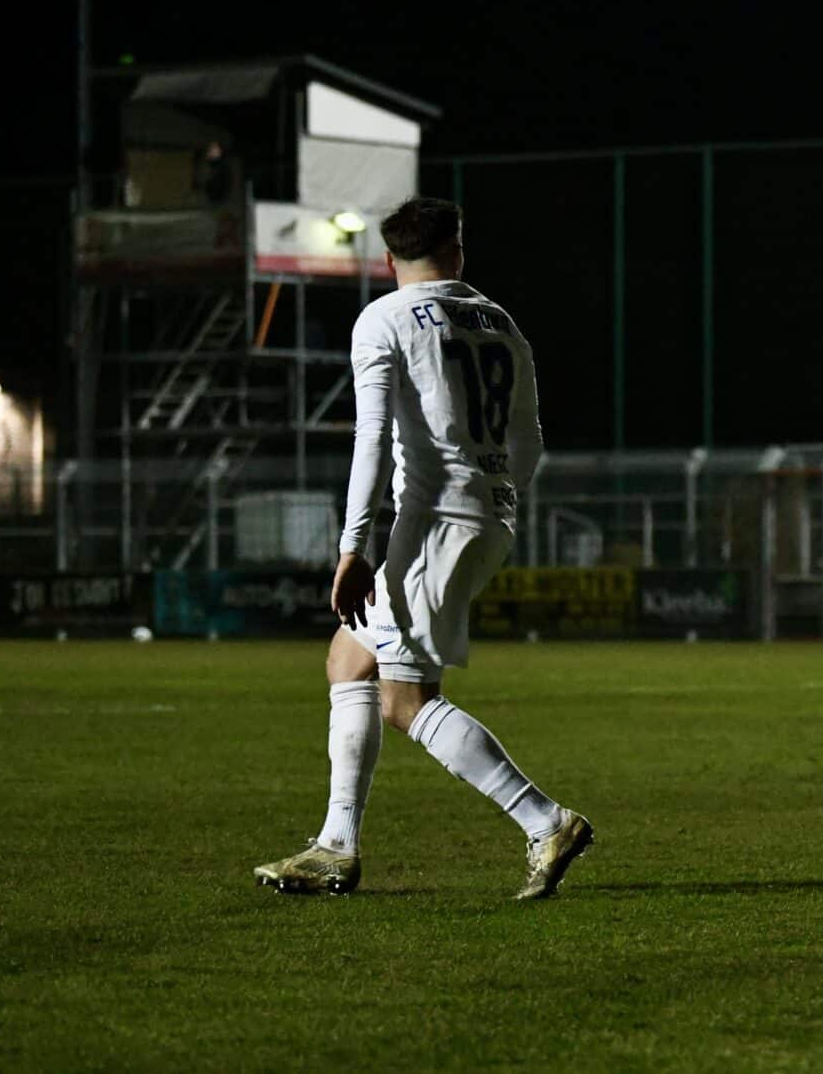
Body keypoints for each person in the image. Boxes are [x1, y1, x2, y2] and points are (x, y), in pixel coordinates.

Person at [253, 197, 593, 899]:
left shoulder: (383, 318)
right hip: (488, 516)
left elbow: (371, 440)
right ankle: (335, 845)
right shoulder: (502, 322)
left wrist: (352, 547)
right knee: (350, 659)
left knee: (404, 699)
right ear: (457, 251)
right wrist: (492, 495)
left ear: (388, 259)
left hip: (434, 522)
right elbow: (528, 445)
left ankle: (545, 819)